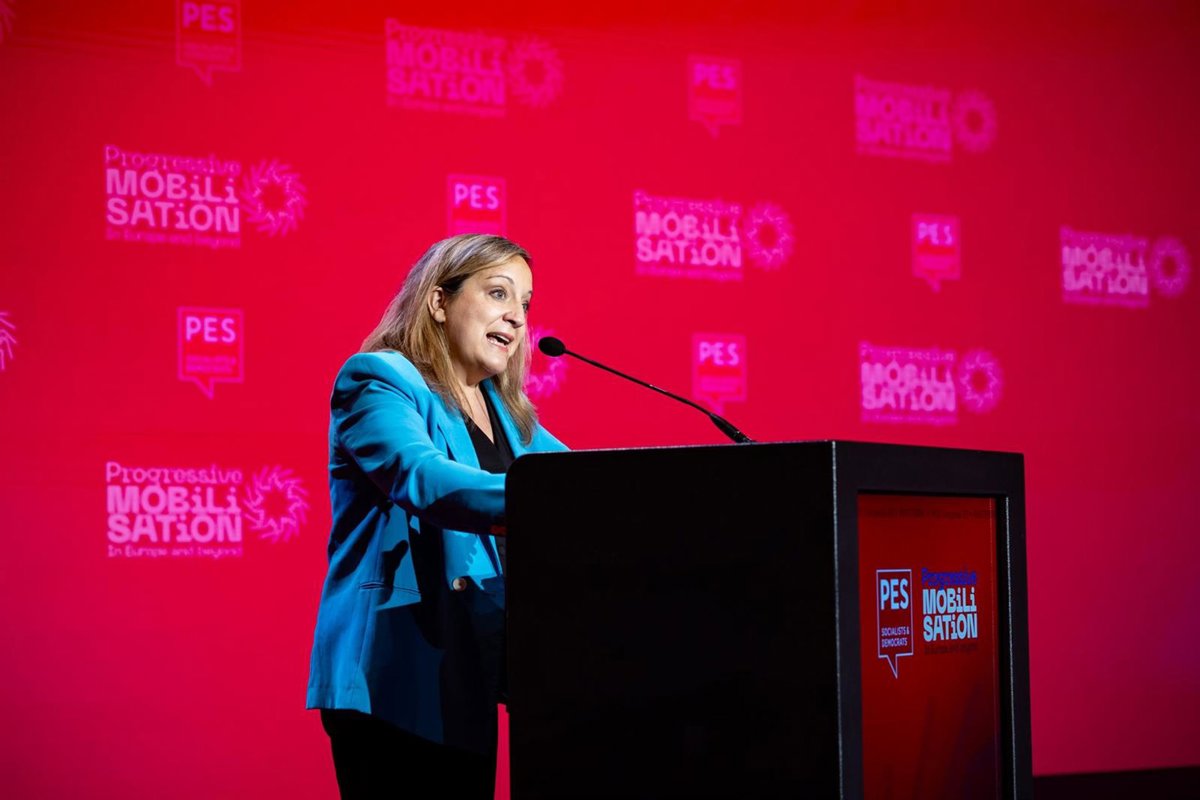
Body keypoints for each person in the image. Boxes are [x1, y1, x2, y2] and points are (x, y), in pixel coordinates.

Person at [306, 234, 567, 798]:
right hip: (392, 675)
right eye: (498, 293)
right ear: (439, 301)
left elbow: (582, 485)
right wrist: (544, 502)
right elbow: (421, 477)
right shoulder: (377, 380)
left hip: (467, 673)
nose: (517, 317)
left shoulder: (508, 416)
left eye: (525, 302)